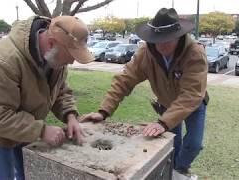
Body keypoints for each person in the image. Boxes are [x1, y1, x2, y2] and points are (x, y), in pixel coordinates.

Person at [80, 8, 209, 180]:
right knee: (173, 143)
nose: (161, 45)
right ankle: (171, 171)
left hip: (193, 103)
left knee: (194, 144)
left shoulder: (195, 53)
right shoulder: (145, 53)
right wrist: (104, 111)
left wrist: (163, 123)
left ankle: (179, 169)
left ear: (178, 37)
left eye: (167, 40)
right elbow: (124, 80)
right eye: (157, 40)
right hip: (165, 103)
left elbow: (191, 94)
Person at [0, 15, 94, 180]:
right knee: (3, 177)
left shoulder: (55, 57)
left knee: (28, 173)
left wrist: (70, 115)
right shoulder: (2, 61)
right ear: (51, 44)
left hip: (26, 123)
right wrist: (41, 130)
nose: (71, 62)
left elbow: (61, 90)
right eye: (70, 55)